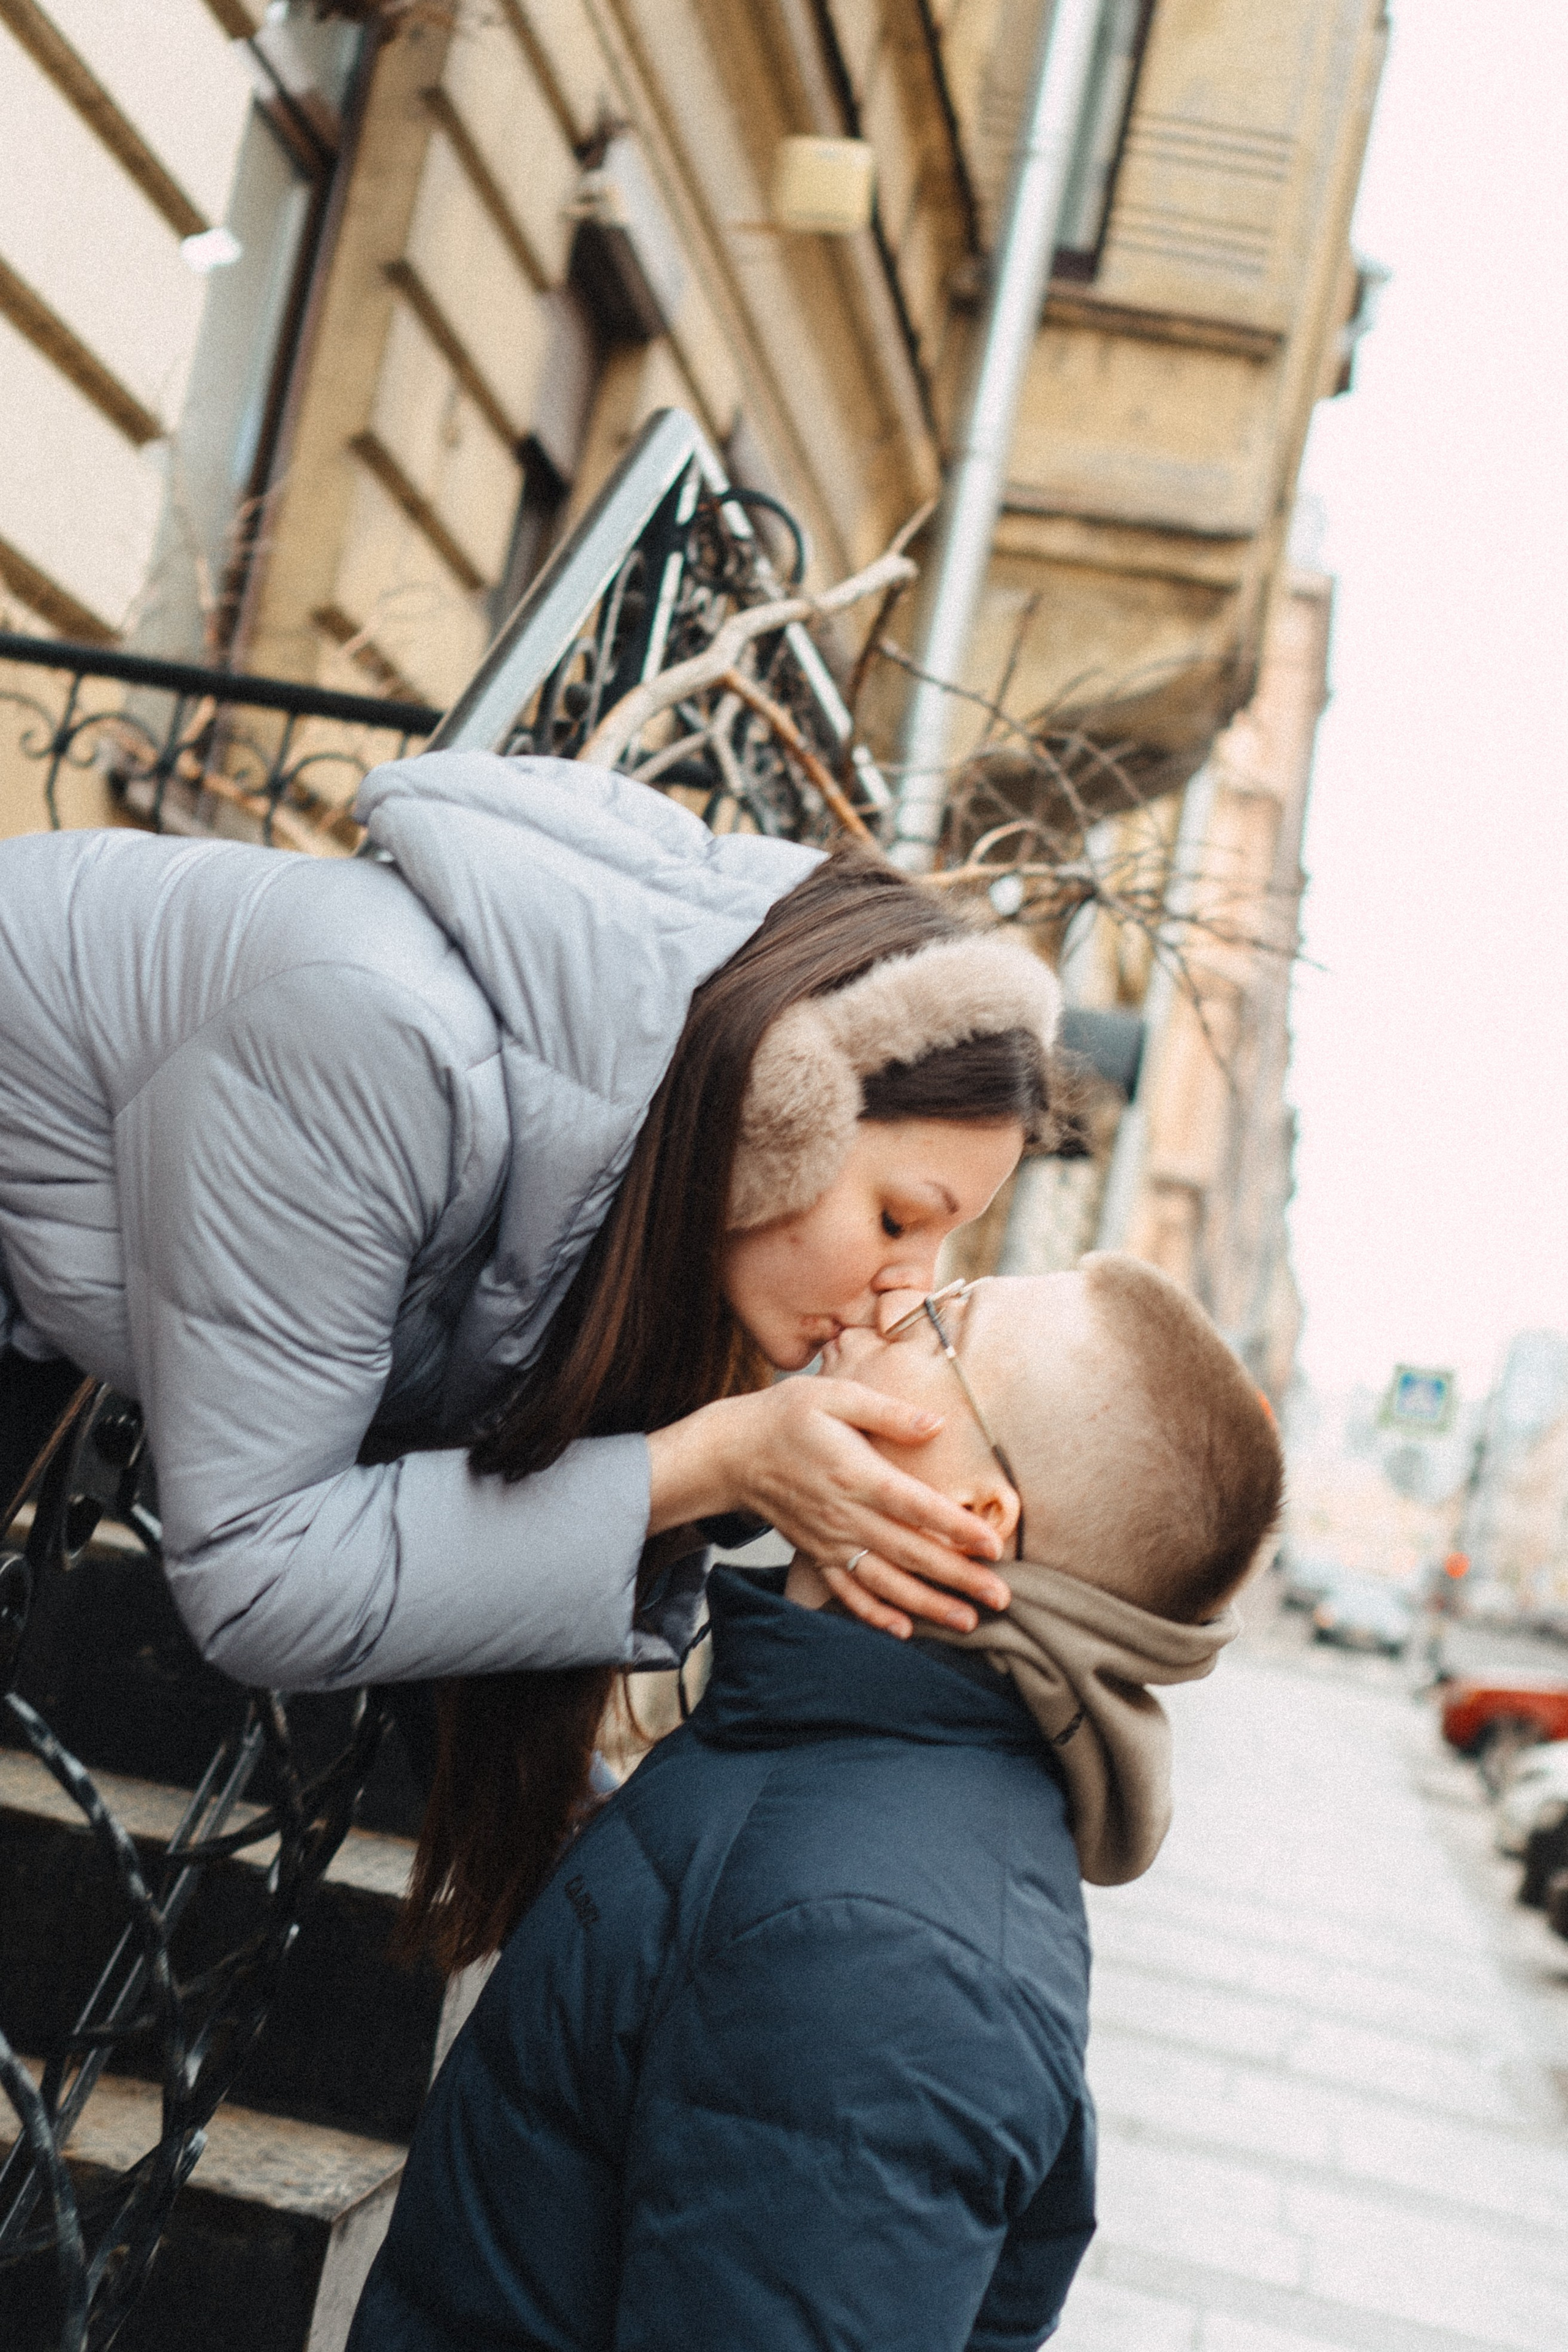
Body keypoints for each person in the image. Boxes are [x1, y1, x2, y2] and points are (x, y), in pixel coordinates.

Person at [349, 1256, 1284, 2352]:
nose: (894, 1299)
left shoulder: (883, 1956)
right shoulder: (824, 1766)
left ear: (970, 1515)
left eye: (945, 1320)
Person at [0, 755, 1061, 1708]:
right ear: (780, 1109)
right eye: (897, 1220)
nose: (905, 1287)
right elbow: (260, 1574)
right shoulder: (380, 1046)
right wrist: (710, 1462)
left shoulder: (603, 1157)